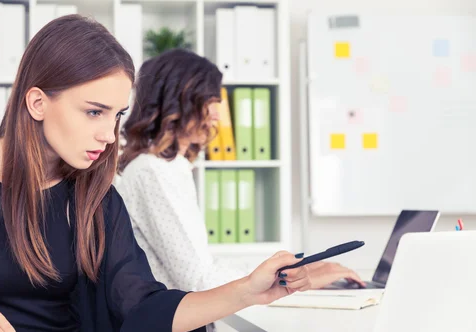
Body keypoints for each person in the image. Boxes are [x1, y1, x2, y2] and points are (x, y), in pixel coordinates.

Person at [0, 15, 350, 332]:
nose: (110, 134)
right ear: (37, 102)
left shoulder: (95, 195)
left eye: (117, 114)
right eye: (94, 111)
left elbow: (139, 305)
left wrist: (248, 290)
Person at [117, 49, 365, 292]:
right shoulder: (153, 172)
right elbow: (199, 281)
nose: (217, 115)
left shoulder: (169, 168)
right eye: (211, 101)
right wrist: (292, 279)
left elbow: (202, 268)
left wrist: (291, 270)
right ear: (177, 101)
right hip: (174, 326)